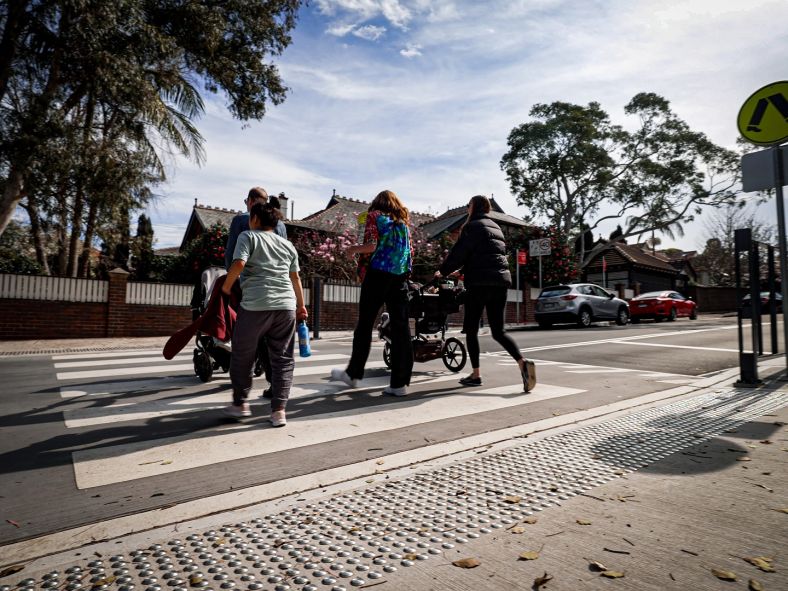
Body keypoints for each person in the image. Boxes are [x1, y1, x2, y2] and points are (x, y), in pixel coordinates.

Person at [436, 195, 535, 392]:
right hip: (499, 283)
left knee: (471, 330)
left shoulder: (472, 226)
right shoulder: (496, 227)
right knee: (498, 331)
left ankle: (476, 374)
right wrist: (463, 272)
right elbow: (487, 256)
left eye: (469, 205)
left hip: (479, 285)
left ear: (475, 207)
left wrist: (443, 271)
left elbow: (460, 252)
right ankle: (522, 362)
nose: (467, 208)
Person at [221, 202, 307, 427]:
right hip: (286, 306)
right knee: (283, 359)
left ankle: (240, 404)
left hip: (255, 306)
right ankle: (279, 411)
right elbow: (296, 278)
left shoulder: (248, 236)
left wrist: (226, 287)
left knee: (242, 354)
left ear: (255, 219)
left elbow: (239, 263)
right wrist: (301, 306)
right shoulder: (288, 245)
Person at [330, 190, 414, 396]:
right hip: (400, 277)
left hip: (378, 275)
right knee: (401, 328)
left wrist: (353, 250)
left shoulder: (374, 216)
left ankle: (353, 373)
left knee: (365, 325)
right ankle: (399, 384)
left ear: (377, 204)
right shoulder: (403, 224)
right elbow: (409, 254)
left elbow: (371, 245)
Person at [225, 187, 287, 395]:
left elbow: (232, 257)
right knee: (275, 341)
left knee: (247, 336)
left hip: (250, 287)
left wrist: (229, 285)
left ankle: (242, 389)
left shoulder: (240, 221)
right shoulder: (281, 225)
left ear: (250, 201)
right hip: (280, 289)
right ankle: (274, 386)